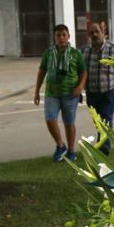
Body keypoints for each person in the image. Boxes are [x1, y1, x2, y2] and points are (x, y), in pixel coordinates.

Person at [33, 24, 87, 162]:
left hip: (70, 94)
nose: (61, 38)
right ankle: (60, 145)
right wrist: (37, 91)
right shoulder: (48, 53)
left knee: (69, 123)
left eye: (64, 35)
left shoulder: (76, 53)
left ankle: (70, 151)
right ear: (54, 37)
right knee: (50, 119)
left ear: (68, 36)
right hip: (52, 93)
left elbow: (83, 72)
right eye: (58, 35)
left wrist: (80, 87)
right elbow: (42, 72)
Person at [81, 22, 114, 155]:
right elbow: (81, 72)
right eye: (92, 33)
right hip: (92, 93)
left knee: (106, 118)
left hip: (109, 91)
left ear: (103, 32)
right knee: (97, 120)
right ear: (88, 35)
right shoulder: (85, 50)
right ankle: (102, 142)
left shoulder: (113, 49)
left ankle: (104, 148)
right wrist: (79, 91)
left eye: (97, 31)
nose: (95, 35)